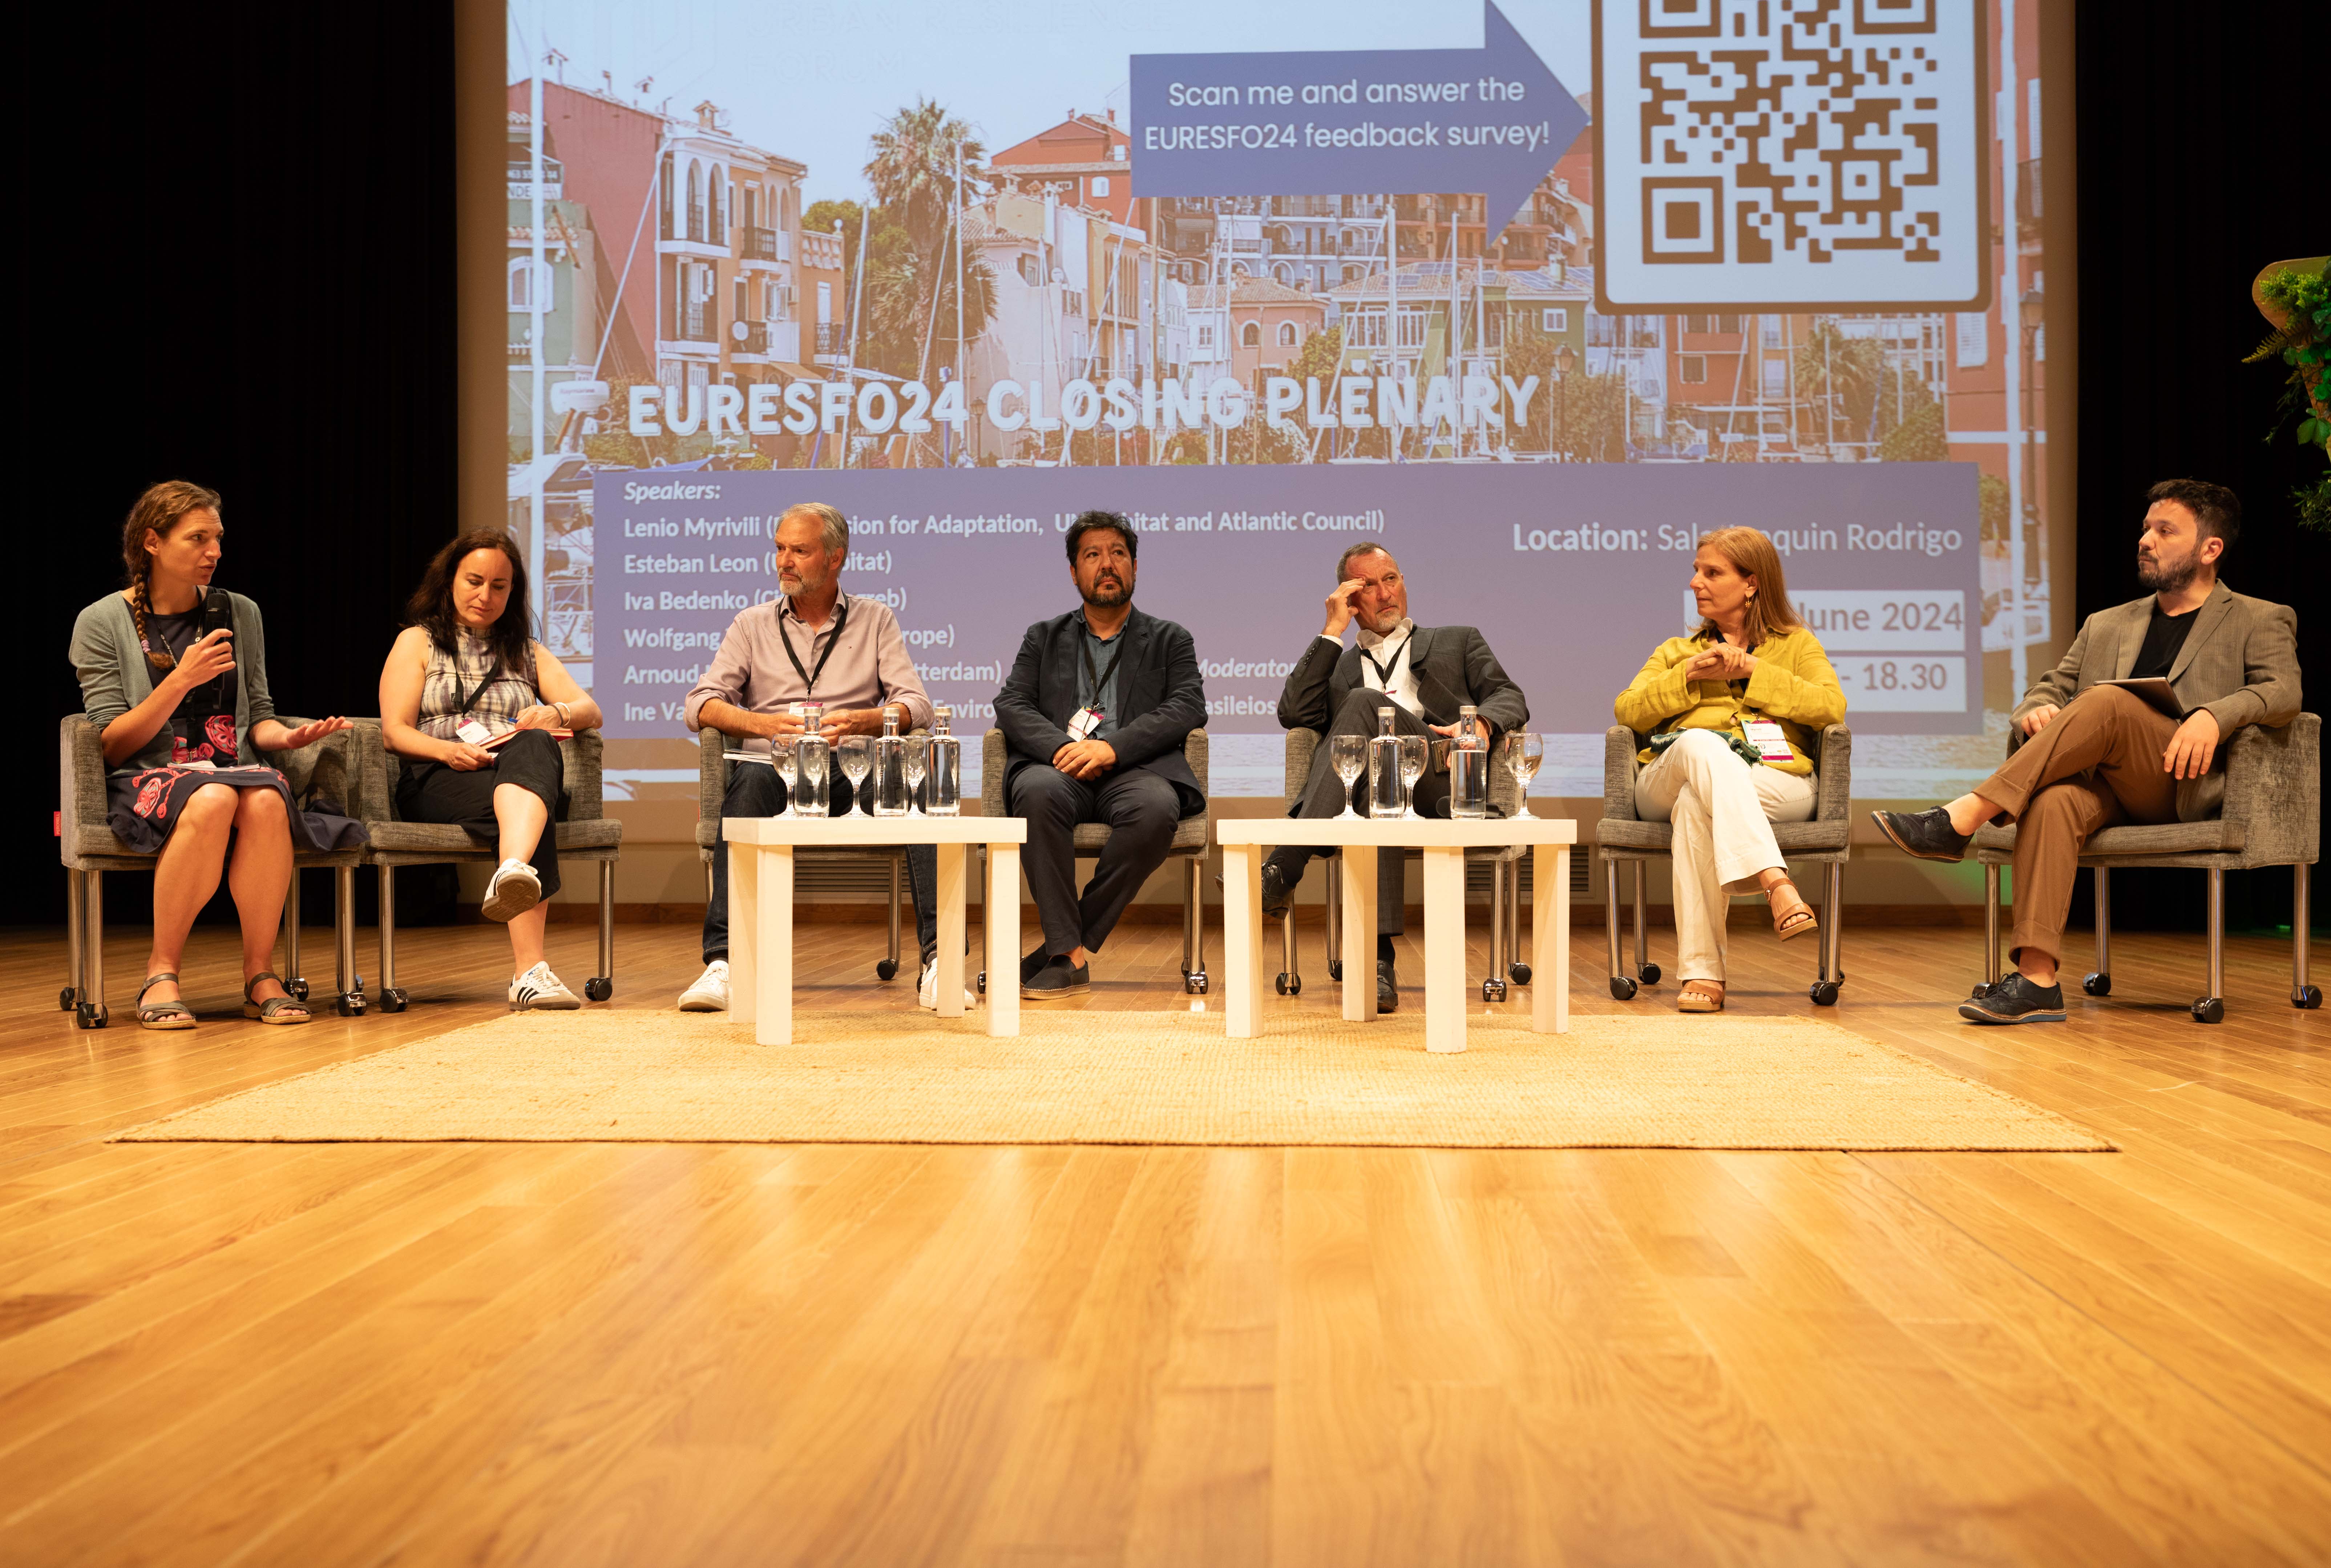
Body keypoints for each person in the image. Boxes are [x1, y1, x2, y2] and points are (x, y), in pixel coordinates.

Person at [1874, 478, 2301, 1024]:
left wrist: (2214, 716)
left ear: (2210, 549)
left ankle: (1962, 819)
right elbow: (2053, 686)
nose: (2146, 539)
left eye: (2165, 530)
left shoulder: (2259, 617)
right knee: (2052, 801)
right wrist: (2034, 708)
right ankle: (2037, 981)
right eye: (2146, 528)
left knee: (2108, 702)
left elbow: (2284, 692)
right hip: (2108, 786)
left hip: (2180, 780)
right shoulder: (2108, 622)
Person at [69, 481, 361, 1029]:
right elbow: (112, 743)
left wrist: (290, 739)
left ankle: (260, 975)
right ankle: (162, 972)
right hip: (147, 777)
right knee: (211, 799)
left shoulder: (240, 612)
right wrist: (178, 682)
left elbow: (260, 716)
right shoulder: (102, 622)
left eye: (218, 538)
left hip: (232, 770)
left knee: (266, 801)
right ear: (153, 542)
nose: (215, 551)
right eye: (198, 538)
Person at [680, 502, 954, 1010]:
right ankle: (724, 964)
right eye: (780, 549)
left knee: (913, 795)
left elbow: (917, 704)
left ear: (835, 559)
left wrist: (862, 721)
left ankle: (938, 962)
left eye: (799, 551)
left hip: (853, 769)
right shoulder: (752, 624)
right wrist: (761, 724)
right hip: (776, 772)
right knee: (747, 787)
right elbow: (699, 705)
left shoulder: (875, 619)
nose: (784, 561)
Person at [1265, 541, 1528, 1011]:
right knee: (1377, 778)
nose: (1385, 593)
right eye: (1368, 585)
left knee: (1366, 705)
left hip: (1443, 777)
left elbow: (1509, 696)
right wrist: (1330, 632)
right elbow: (1295, 713)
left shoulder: (1457, 640)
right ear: (1349, 600)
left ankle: (1286, 863)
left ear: (1404, 583)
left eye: (1392, 579)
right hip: (1379, 786)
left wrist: (1482, 726)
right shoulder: (1339, 668)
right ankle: (1378, 965)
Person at [1613, 528, 1845, 1012]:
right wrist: (1688, 676)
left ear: (1752, 584)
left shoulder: (1797, 646)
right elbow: (1628, 711)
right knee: (1702, 744)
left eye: (1712, 572)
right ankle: (1776, 883)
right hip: (1669, 773)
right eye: (1696, 571)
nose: (1697, 582)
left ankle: (1704, 975)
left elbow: (1831, 709)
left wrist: (1755, 674)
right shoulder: (1676, 651)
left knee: (1697, 804)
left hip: (1776, 779)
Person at [380, 530, 604, 1009]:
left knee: (536, 745)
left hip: (515, 772)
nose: (486, 595)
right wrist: (447, 753)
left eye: (500, 586)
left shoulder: (527, 651)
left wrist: (555, 713)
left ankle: (513, 872)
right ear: (450, 581)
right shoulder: (416, 643)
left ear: (513, 592)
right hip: (440, 776)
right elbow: (395, 732)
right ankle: (528, 966)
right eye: (475, 582)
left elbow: (590, 709)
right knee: (534, 809)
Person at [995, 510, 1207, 999]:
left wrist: (1112, 748)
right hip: (1058, 769)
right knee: (1035, 792)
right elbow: (1012, 704)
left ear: (1135, 566)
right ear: (1074, 572)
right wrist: (1063, 748)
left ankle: (1063, 948)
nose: (1107, 564)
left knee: (1157, 809)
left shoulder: (1171, 638)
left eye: (1118, 554)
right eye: (1093, 555)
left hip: (1134, 769)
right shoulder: (1043, 637)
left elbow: (1187, 706)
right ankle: (1068, 954)